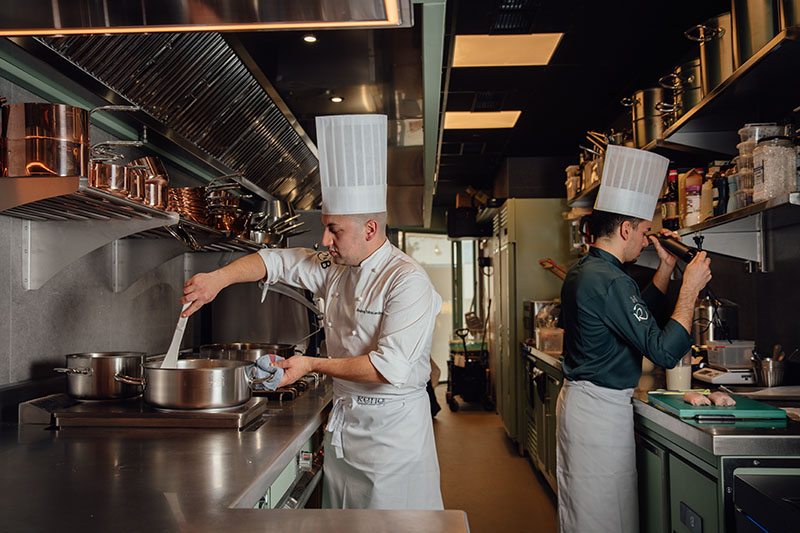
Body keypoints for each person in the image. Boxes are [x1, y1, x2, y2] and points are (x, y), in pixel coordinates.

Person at [181, 114, 444, 510]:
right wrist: (218, 279)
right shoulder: (335, 267)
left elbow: (386, 368)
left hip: (393, 444)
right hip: (345, 434)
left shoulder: (407, 281)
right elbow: (274, 261)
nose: (324, 240)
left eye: (334, 230)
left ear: (370, 230)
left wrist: (310, 365)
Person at [556, 146, 712, 533]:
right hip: (599, 415)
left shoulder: (588, 270)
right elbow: (663, 349)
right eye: (643, 232)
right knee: (605, 520)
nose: (646, 242)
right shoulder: (611, 280)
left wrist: (667, 268)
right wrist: (689, 289)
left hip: (585, 407)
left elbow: (632, 317)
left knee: (591, 516)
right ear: (626, 229)